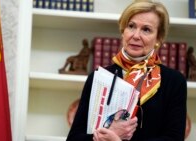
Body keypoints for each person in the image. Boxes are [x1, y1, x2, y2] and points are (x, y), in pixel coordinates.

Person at [66, 0, 187, 141]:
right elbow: (74, 138)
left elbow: (174, 139)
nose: (136, 35)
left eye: (146, 29)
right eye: (131, 26)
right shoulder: (98, 77)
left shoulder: (173, 81)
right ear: (123, 31)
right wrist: (104, 137)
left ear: (158, 38)